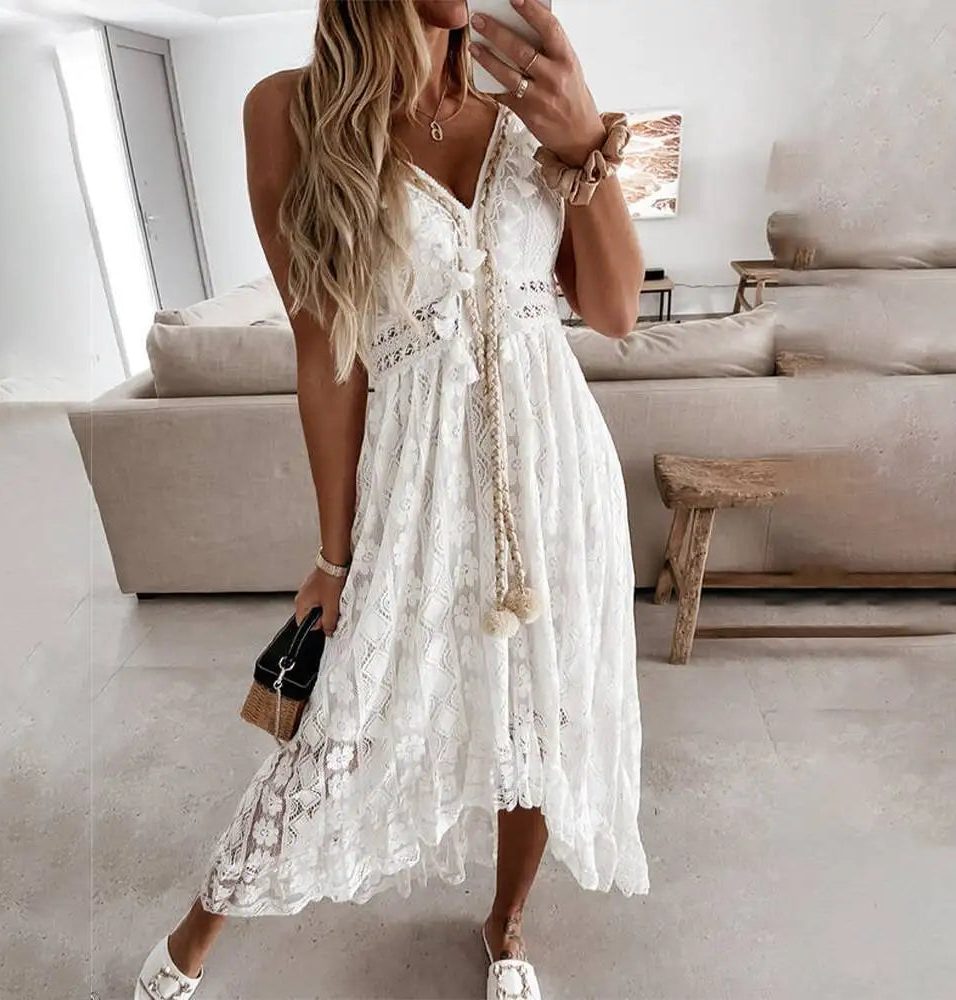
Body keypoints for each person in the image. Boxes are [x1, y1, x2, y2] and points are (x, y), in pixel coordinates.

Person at [134, 1, 648, 997]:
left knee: (543, 709)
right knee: (346, 712)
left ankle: (507, 926)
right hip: (416, 477)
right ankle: (198, 932)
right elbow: (324, 353)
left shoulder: (526, 106)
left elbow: (616, 310)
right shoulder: (291, 111)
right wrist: (334, 555)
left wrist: (587, 141)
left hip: (555, 470)